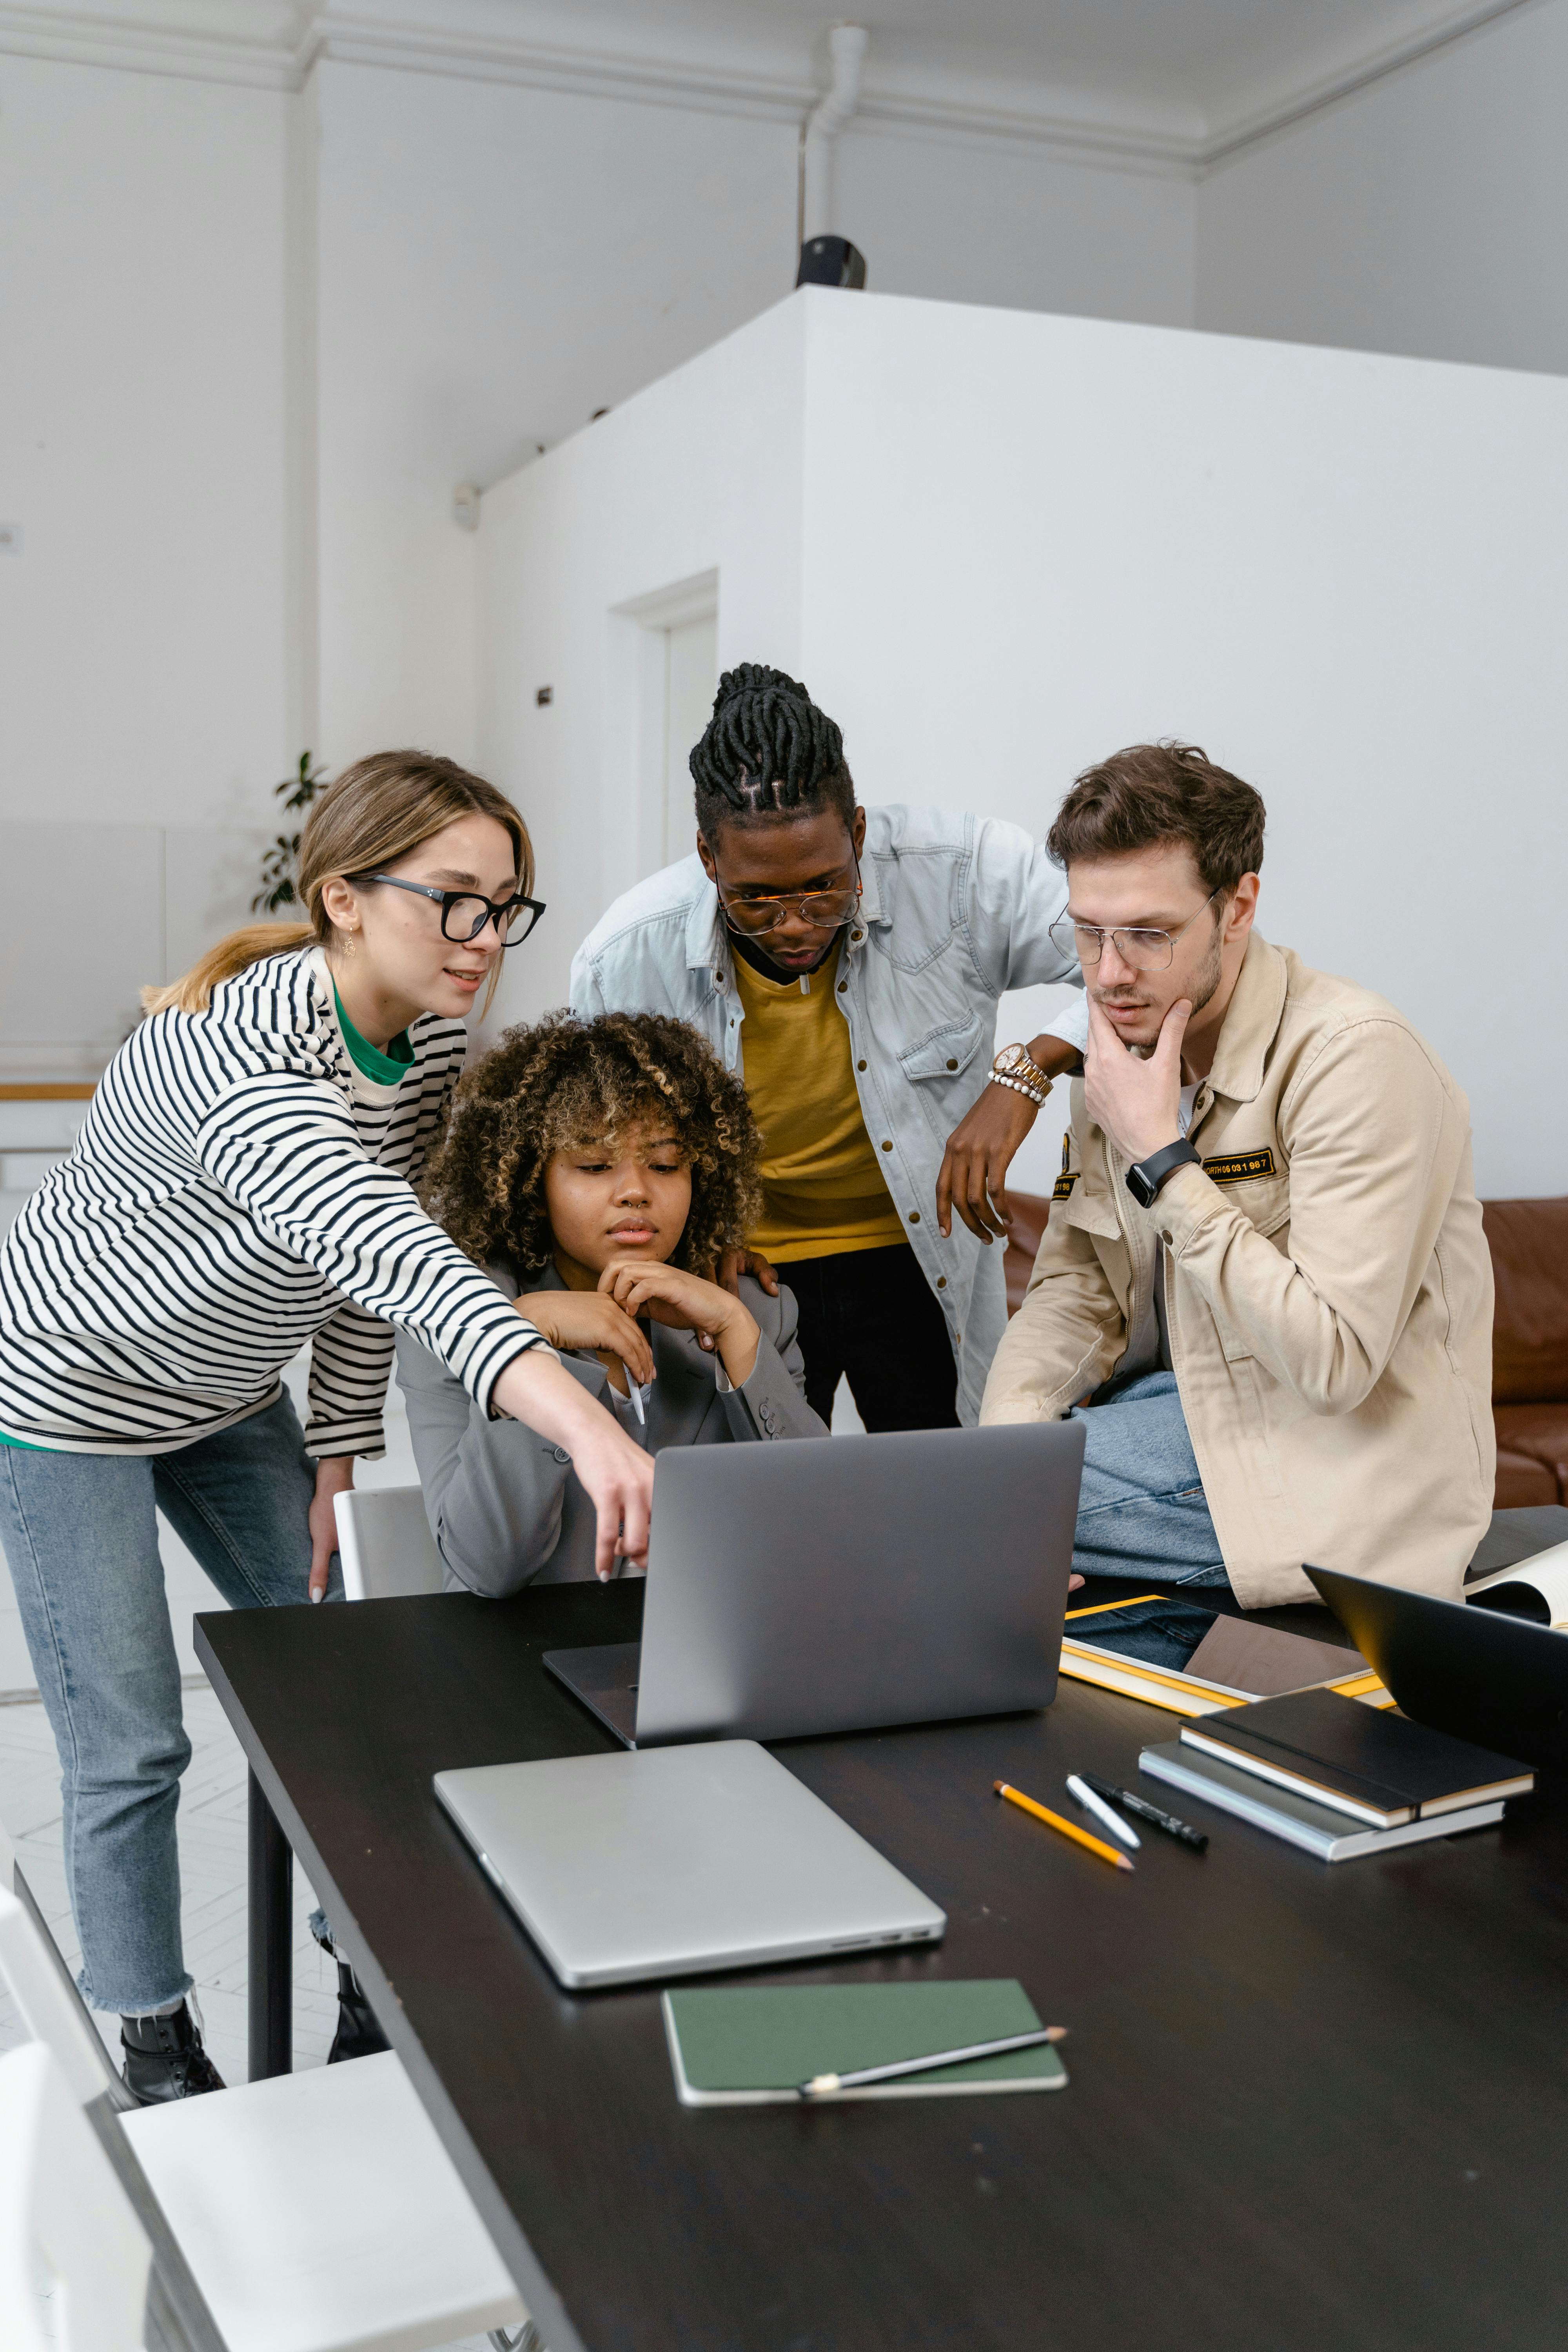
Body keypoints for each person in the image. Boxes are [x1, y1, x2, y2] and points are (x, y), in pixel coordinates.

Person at [0, 752, 655, 2101]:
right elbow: (393, 1250)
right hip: (69, 1400)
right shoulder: (242, 1057)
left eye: (507, 906)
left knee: (359, 1683)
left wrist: (339, 1448)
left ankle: (366, 1974)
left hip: (231, 1395)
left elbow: (356, 1280)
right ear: (345, 898)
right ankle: (155, 2042)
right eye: (456, 902)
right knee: (130, 1742)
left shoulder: (422, 1043)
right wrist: (587, 1431)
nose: (486, 940)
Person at [981, 741, 1494, 1607]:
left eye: (1148, 933)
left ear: (1237, 906)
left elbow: (1331, 1365)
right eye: (1088, 931)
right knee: (963, 1495)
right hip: (1178, 1416)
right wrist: (1002, 1458)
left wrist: (1161, 1155)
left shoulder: (1355, 1058)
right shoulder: (1122, 1046)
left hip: (1337, 1466)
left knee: (930, 1525)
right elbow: (1075, 1292)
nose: (1107, 974)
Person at [570, 663, 1089, 1430]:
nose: (793, 923)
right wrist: (692, 1237)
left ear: (857, 833)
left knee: (940, 1493)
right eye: (755, 898)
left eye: (823, 886)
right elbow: (603, 1141)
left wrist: (1026, 1072)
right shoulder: (626, 954)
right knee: (768, 1503)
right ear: (709, 862)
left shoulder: (962, 872)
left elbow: (1137, 960)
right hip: (752, 1269)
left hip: (920, 1256)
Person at [400, 1011, 824, 1590]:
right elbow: (487, 1568)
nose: (635, 1191)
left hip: (703, 1653)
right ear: (531, 1179)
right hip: (520, 1662)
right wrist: (529, 1341)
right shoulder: (457, 1314)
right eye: (595, 1166)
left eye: (666, 1165)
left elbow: (817, 1531)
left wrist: (735, 1332)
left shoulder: (754, 1306)